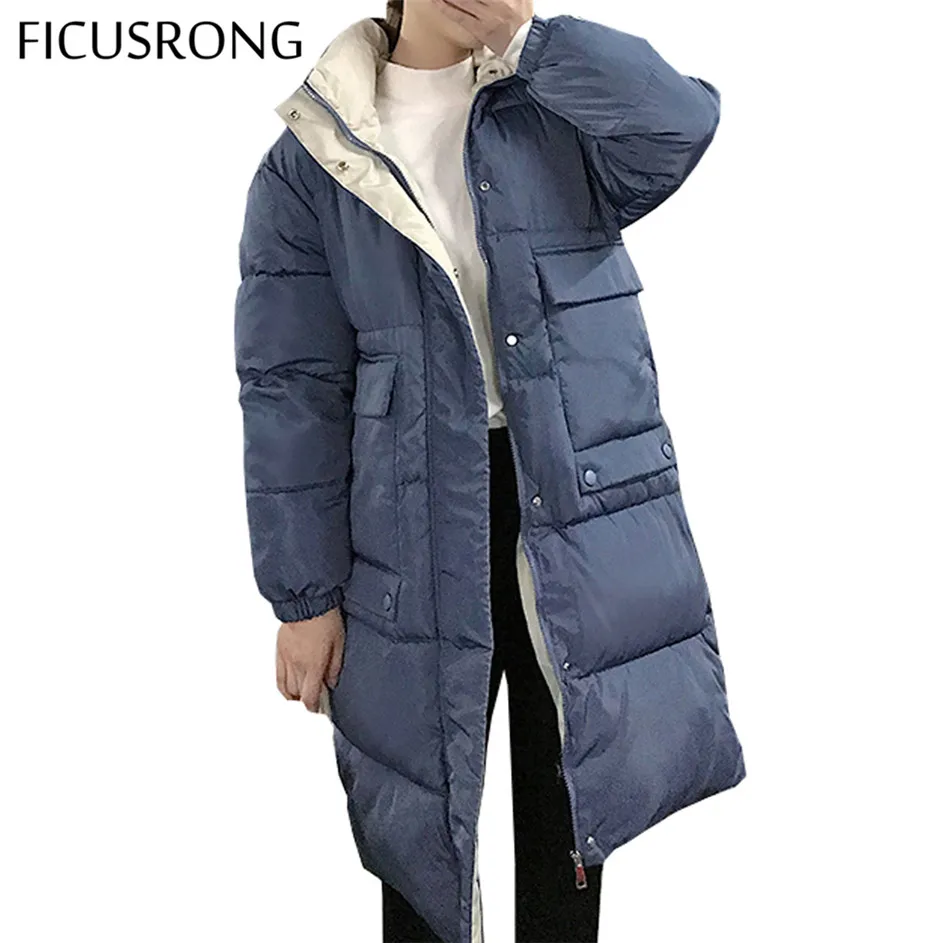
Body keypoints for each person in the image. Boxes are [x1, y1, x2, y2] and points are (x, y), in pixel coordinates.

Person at [234, 3, 747, 941]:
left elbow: (681, 124)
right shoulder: (312, 156)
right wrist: (301, 595)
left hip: (572, 499)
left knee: (576, 800)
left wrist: (530, 40)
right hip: (409, 518)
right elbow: (291, 391)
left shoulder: (552, 102)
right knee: (421, 816)